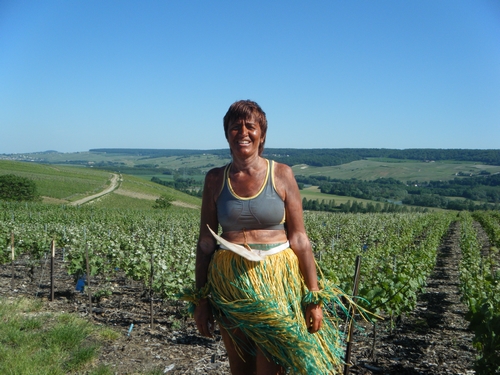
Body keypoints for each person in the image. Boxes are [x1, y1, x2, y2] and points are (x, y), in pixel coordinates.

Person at [181, 100, 353, 374]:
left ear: (262, 134)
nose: (243, 132)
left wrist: (314, 297)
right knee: (240, 369)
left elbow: (299, 239)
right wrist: (201, 300)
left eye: (251, 126)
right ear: (226, 133)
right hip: (230, 285)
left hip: (276, 284)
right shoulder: (215, 179)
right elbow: (205, 243)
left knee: (271, 368)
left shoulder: (282, 174)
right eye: (235, 127)